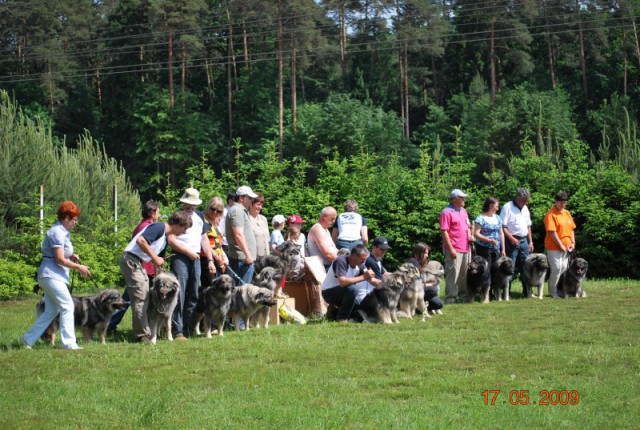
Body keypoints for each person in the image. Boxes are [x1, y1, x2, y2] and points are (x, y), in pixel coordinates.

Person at [21, 201, 91, 350]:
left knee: (51, 311)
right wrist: (79, 267)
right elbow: (59, 259)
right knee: (67, 305)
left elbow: (62, 254)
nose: (76, 222)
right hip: (51, 275)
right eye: (74, 219)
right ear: (66, 217)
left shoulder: (63, 232)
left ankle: (27, 340)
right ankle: (68, 343)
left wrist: (72, 256)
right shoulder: (57, 232)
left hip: (52, 275)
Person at [120, 210, 192, 344]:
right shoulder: (159, 227)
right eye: (184, 228)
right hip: (131, 260)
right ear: (178, 224)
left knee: (144, 296)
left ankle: (146, 333)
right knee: (141, 297)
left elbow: (158, 261)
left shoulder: (165, 238)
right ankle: (142, 336)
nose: (184, 232)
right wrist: (154, 257)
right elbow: (141, 241)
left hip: (138, 262)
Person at [168, 188, 216, 340]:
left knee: (193, 294)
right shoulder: (176, 216)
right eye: (188, 204)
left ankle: (189, 328)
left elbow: (204, 239)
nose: (190, 207)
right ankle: (177, 331)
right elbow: (171, 239)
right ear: (183, 203)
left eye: (193, 204)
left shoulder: (200, 217)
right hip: (180, 257)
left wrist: (210, 260)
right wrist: (187, 252)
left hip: (195, 259)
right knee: (179, 294)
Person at [108, 200, 160, 333]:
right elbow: (143, 247)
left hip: (140, 266)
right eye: (158, 212)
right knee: (134, 298)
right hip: (142, 266)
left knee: (130, 297)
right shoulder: (147, 227)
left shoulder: (142, 225)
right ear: (152, 213)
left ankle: (111, 323)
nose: (159, 215)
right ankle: (111, 323)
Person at [321, 244, 374, 322]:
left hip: (344, 291)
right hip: (329, 292)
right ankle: (342, 318)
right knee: (353, 289)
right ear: (353, 256)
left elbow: (371, 279)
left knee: (360, 309)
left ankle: (333, 313)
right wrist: (364, 277)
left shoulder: (360, 265)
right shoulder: (341, 261)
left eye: (365, 259)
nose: (364, 262)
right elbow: (342, 282)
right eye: (362, 259)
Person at [440, 189, 472, 303]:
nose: (464, 200)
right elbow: (444, 231)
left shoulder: (464, 211)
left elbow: (468, 226)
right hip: (453, 248)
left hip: (466, 248)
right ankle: (450, 298)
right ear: (454, 199)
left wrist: (470, 236)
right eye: (461, 197)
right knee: (452, 273)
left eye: (464, 198)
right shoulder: (446, 212)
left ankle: (464, 297)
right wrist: (451, 248)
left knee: (464, 274)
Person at [500, 188, 534, 293]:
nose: (525, 202)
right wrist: (511, 238)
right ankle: (507, 292)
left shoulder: (525, 208)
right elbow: (502, 226)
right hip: (511, 241)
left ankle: (527, 291)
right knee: (510, 267)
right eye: (524, 200)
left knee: (526, 267)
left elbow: (528, 226)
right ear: (518, 198)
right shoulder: (507, 207)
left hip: (524, 241)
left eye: (527, 200)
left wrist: (530, 241)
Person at [544, 191, 576, 298]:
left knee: (563, 269)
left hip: (566, 247)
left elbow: (571, 229)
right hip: (553, 247)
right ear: (556, 201)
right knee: (557, 268)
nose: (563, 205)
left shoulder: (567, 213)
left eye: (565, 203)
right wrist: (560, 245)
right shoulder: (550, 214)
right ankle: (552, 292)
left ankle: (560, 290)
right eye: (561, 202)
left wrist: (572, 242)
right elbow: (552, 232)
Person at [226, 185, 258, 285]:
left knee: (242, 291)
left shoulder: (240, 210)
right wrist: (248, 254)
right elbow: (238, 234)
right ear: (241, 198)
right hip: (242, 259)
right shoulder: (237, 210)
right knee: (241, 292)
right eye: (249, 198)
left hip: (244, 259)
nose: (251, 201)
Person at [406, 242, 444, 315]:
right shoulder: (413, 262)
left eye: (427, 253)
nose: (427, 255)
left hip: (419, 290)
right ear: (419, 252)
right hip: (410, 293)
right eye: (425, 253)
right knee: (433, 290)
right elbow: (410, 283)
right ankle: (415, 307)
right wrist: (426, 284)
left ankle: (420, 309)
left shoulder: (421, 264)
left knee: (439, 304)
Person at [200, 197, 229, 287]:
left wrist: (223, 258)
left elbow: (219, 242)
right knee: (210, 288)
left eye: (219, 211)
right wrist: (217, 259)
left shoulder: (217, 220)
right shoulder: (202, 219)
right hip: (206, 258)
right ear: (208, 206)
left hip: (219, 258)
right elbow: (204, 242)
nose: (215, 212)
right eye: (213, 209)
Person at [474, 196, 506, 268]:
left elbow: (501, 233)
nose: (498, 208)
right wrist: (489, 240)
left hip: (496, 249)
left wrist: (503, 249)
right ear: (490, 206)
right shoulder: (480, 218)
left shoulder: (498, 218)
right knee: (485, 271)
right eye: (496, 206)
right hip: (483, 249)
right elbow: (476, 234)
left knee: (495, 270)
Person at [359, 237, 392, 305]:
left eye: (386, 249)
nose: (384, 251)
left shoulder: (376, 260)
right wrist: (394, 285)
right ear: (374, 248)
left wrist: (399, 275)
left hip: (371, 294)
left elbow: (384, 274)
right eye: (382, 249)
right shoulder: (371, 261)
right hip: (365, 296)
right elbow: (376, 281)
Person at [308, 206, 339, 272]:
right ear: (325, 216)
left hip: (328, 265)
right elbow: (328, 255)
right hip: (323, 267)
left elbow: (334, 249)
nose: (333, 221)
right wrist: (343, 262)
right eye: (332, 218)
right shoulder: (318, 229)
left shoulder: (325, 230)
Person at [248, 193, 270, 258]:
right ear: (251, 204)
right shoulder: (246, 219)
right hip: (253, 257)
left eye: (261, 205)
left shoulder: (263, 219)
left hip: (266, 258)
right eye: (258, 205)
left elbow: (268, 239)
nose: (260, 207)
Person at [219, 190, 235, 257]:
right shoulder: (224, 213)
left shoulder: (233, 211)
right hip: (226, 244)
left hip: (232, 244)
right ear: (230, 201)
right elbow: (221, 229)